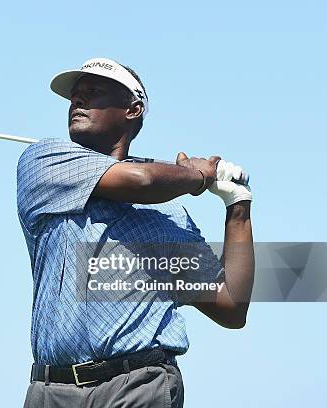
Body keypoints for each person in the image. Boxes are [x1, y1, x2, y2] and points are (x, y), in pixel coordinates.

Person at [16, 57, 254, 408]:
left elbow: (230, 307)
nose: (77, 101)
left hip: (139, 386)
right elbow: (139, 181)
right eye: (74, 96)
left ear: (133, 109)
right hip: (51, 390)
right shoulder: (45, 160)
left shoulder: (167, 213)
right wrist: (198, 176)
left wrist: (238, 208)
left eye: (92, 92)